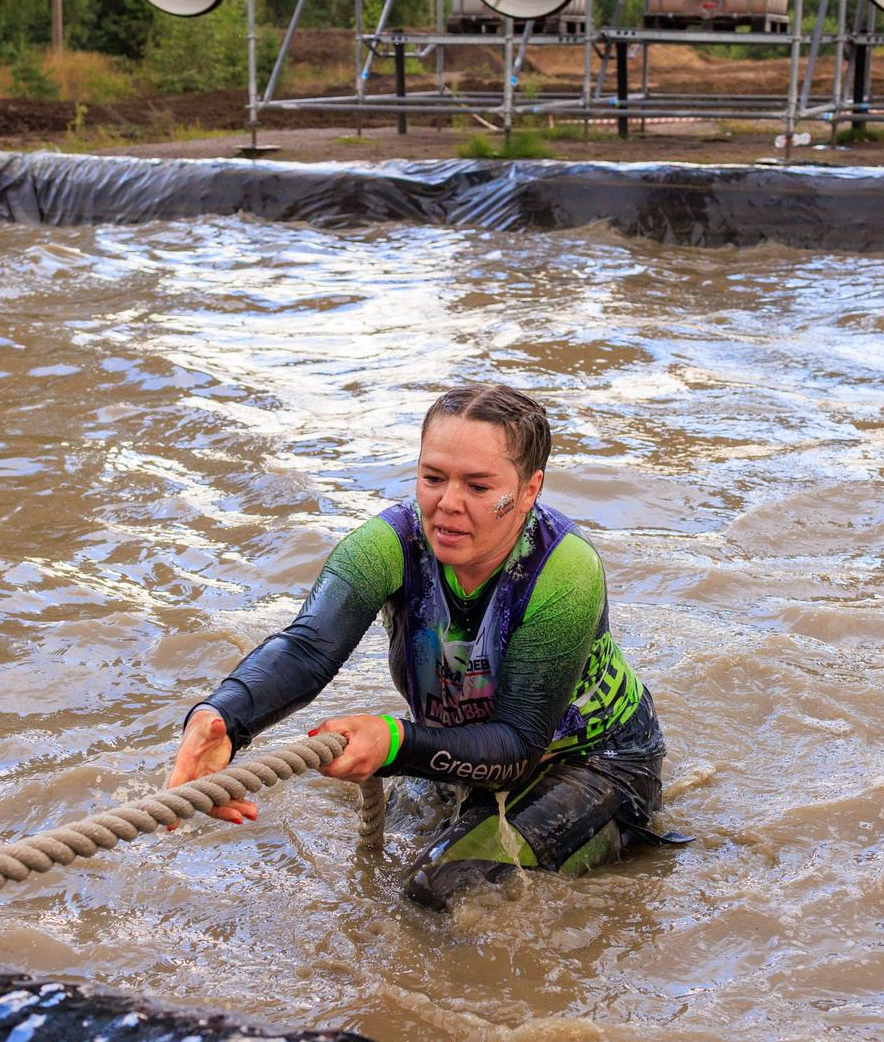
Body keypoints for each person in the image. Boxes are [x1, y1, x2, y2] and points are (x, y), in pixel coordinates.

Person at [166, 384, 684, 911]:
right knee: (386, 852)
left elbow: (517, 748)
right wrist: (223, 717)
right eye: (432, 478)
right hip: (464, 746)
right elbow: (306, 648)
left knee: (433, 888)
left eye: (478, 487)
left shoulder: (565, 573)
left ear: (529, 491)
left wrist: (394, 744)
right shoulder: (387, 545)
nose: (447, 505)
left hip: (594, 761)